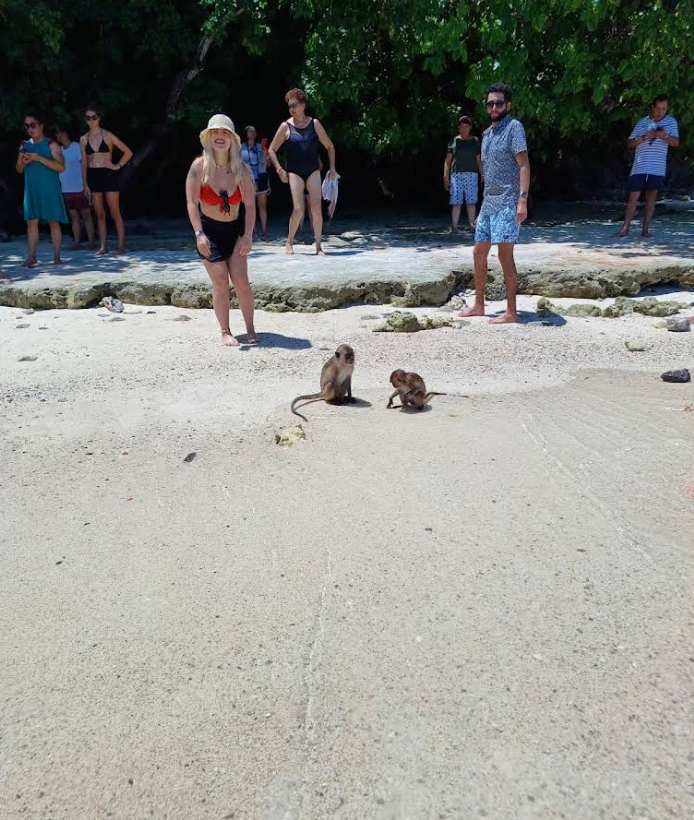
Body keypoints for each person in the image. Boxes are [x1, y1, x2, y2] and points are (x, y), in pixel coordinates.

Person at [460, 82, 530, 324]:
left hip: (509, 201)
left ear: (507, 105)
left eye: (498, 103)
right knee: (479, 252)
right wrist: (482, 208)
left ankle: (511, 312)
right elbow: (489, 172)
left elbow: (524, 165)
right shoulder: (486, 135)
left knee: (504, 255)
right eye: (490, 103)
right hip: (489, 203)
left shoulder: (514, 128)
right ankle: (479, 305)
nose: (494, 107)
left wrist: (522, 200)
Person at [185, 114, 258, 347]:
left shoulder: (242, 169)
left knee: (241, 280)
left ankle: (250, 327)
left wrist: (247, 236)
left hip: (234, 231)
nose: (219, 136)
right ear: (208, 137)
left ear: (232, 139)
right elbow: (191, 203)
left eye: (225, 132)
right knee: (220, 281)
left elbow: (250, 205)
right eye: (215, 132)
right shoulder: (199, 167)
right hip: (208, 232)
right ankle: (225, 331)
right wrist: (199, 234)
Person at [268, 88, 338, 255]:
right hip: (295, 171)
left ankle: (319, 246)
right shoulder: (285, 126)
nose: (291, 108)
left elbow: (329, 146)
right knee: (299, 209)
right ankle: (289, 241)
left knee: (316, 207)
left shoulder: (315, 124)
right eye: (289, 106)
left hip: (313, 170)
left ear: (303, 105)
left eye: (294, 105)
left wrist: (332, 167)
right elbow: (271, 149)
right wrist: (279, 169)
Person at [616, 95, 680, 239]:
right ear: (652, 107)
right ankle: (625, 229)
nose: (660, 112)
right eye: (658, 108)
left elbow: (676, 143)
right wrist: (645, 137)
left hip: (657, 167)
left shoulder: (671, 122)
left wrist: (663, 136)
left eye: (664, 109)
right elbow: (630, 143)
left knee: (651, 199)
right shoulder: (642, 122)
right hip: (639, 166)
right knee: (633, 197)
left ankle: (645, 230)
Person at [15, 112, 68, 267]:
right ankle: (31, 257)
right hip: (31, 190)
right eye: (27, 126)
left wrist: (38, 158)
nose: (30, 129)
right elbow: (18, 169)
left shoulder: (51, 144)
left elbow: (61, 167)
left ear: (41, 126)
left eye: (33, 125)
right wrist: (23, 163)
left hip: (50, 189)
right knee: (31, 223)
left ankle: (57, 257)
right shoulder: (24, 145)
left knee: (53, 222)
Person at [80, 105, 133, 255]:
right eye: (88, 118)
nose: (91, 120)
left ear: (99, 118)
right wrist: (85, 184)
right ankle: (103, 247)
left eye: (94, 117)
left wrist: (117, 166)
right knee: (99, 214)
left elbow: (128, 152)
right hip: (93, 175)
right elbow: (83, 163)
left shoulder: (108, 135)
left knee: (114, 212)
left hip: (108, 174)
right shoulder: (83, 139)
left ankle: (121, 245)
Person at [54, 124, 95, 250]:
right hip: (66, 189)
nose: (56, 135)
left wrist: (85, 184)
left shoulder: (76, 147)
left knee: (86, 215)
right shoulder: (59, 150)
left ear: (64, 133)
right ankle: (76, 242)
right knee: (73, 216)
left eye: (58, 132)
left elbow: (85, 164)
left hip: (79, 187)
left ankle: (91, 242)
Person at [444, 115, 482, 233]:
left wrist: (483, 174)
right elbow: (448, 161)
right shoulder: (453, 141)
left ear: (470, 127)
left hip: (472, 174)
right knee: (456, 202)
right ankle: (454, 227)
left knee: (471, 202)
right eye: (462, 126)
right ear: (459, 128)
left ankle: (472, 226)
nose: (464, 128)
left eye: (466, 126)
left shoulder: (475, 141)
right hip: (456, 175)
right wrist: (446, 177)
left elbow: (478, 159)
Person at [241, 126, 270, 240]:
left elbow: (269, 164)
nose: (253, 133)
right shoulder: (241, 147)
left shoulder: (260, 147)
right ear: (246, 133)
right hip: (247, 179)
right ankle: (252, 232)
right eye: (250, 131)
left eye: (254, 131)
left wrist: (266, 155)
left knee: (262, 206)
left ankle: (264, 231)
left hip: (261, 177)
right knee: (250, 206)